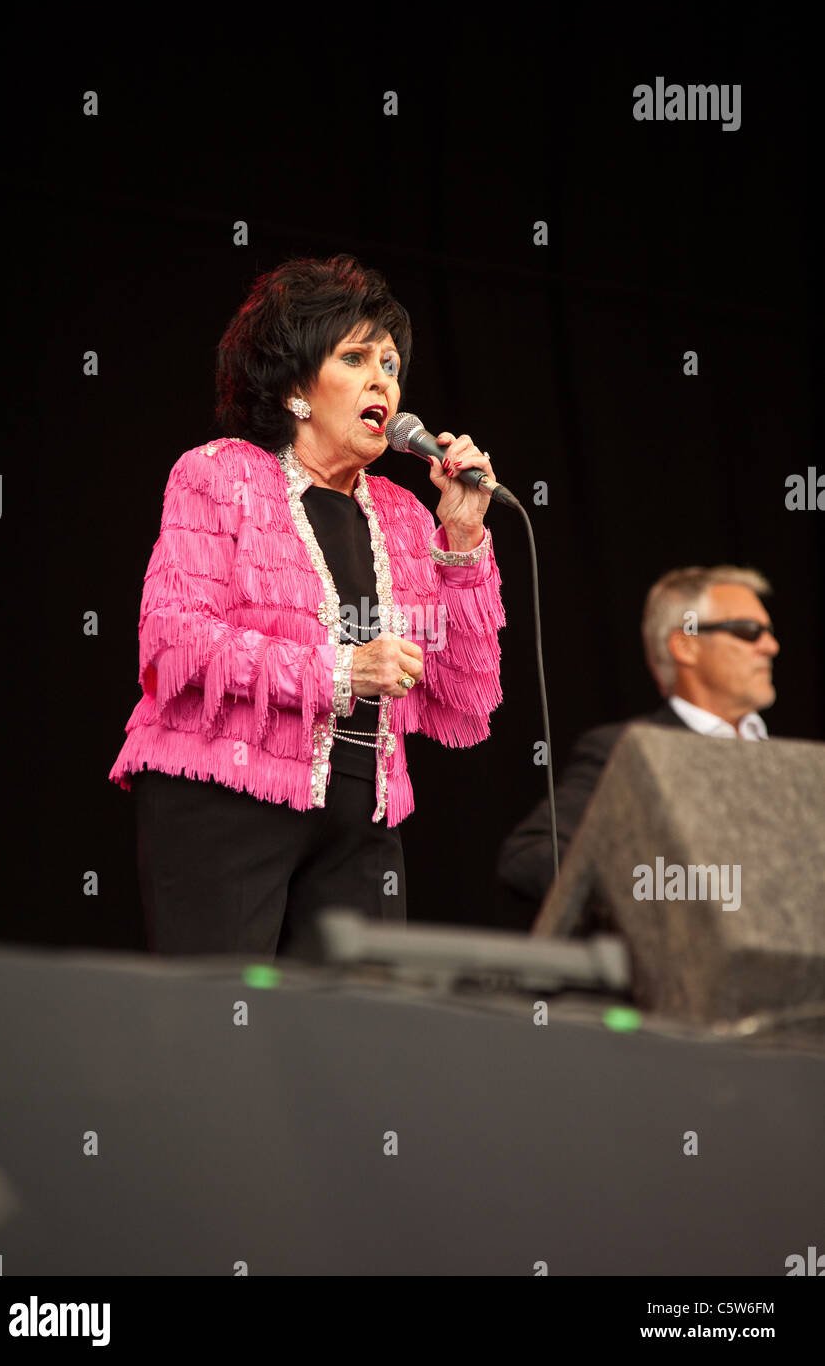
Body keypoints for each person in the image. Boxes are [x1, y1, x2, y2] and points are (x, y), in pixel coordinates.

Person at [109, 254, 505, 956]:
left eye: (389, 362)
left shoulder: (409, 518)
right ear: (296, 385)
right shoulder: (220, 474)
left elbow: (465, 697)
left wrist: (465, 539)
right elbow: (174, 643)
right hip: (225, 802)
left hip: (361, 819)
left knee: (352, 1050)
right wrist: (340, 672)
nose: (383, 377)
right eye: (355, 357)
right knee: (222, 1038)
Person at [497, 565, 779, 923]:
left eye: (768, 632)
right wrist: (654, 903)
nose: (770, 646)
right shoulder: (629, 750)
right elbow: (531, 854)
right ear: (686, 644)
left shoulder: (790, 761)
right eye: (748, 631)